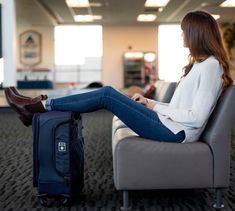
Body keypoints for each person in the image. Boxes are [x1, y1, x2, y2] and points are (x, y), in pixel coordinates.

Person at [5, 11, 233, 143]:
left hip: (177, 133)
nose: (182, 35)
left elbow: (195, 117)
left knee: (107, 94)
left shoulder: (211, 67)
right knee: (109, 93)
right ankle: (34, 108)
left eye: (184, 31)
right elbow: (179, 107)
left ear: (196, 33)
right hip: (170, 124)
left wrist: (154, 108)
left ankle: (37, 106)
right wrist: (150, 102)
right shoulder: (201, 65)